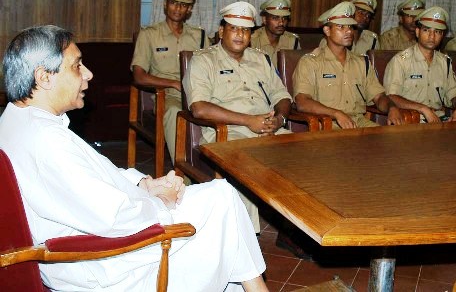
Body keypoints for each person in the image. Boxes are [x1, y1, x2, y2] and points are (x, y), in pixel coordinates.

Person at [0, 25, 267, 291]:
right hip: (99, 263)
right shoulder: (46, 141)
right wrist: (162, 202)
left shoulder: (20, 120)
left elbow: (92, 174)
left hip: (89, 246)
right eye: (77, 66)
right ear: (44, 77)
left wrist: (144, 185)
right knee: (222, 199)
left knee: (225, 233)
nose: (88, 74)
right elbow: (113, 217)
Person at [183, 1, 292, 233]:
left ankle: (293, 233)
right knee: (244, 165)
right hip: (227, 132)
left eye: (245, 30)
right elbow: (199, 108)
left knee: (302, 157)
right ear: (222, 31)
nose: (240, 34)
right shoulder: (204, 60)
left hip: (268, 129)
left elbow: (282, 95)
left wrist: (280, 119)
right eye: (234, 28)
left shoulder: (261, 59)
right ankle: (245, 239)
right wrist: (248, 121)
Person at [131, 0, 209, 164]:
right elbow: (139, 76)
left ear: (189, 9)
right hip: (167, 95)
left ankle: (212, 172)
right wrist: (173, 83)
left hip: (198, 93)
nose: (178, 8)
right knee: (175, 112)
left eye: (183, 5)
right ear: (165, 4)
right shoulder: (149, 35)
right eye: (173, 2)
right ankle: (184, 173)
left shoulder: (200, 36)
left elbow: (210, 67)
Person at [293, 1, 403, 129]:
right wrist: (336, 114)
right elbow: (302, 102)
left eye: (350, 27)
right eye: (341, 27)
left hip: (358, 122)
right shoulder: (310, 62)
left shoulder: (362, 63)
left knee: (386, 141)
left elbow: (378, 96)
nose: (349, 31)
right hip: (328, 123)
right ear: (327, 30)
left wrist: (392, 107)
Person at [384, 6, 456, 123]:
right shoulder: (401, 61)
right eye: (426, 30)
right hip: (409, 120)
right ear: (417, 32)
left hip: (438, 120)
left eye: (437, 32)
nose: (432, 36)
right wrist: (423, 109)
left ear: (442, 35)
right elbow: (391, 97)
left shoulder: (444, 62)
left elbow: (455, 92)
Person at [250, 0, 300, 64]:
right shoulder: (252, 41)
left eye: (284, 18)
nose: (281, 23)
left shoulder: (292, 41)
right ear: (264, 19)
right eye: (275, 18)